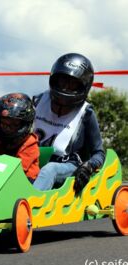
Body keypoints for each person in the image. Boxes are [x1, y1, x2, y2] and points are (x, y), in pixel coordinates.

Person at [32, 53, 105, 194]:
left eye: (72, 84)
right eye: (63, 82)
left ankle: (29, 205)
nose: (66, 88)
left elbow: (99, 153)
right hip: (33, 158)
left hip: (67, 165)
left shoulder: (86, 113)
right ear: (54, 80)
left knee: (50, 169)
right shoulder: (38, 101)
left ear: (83, 87)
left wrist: (88, 167)